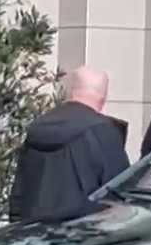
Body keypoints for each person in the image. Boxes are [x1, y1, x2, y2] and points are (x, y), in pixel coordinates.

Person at [8, 65, 130, 223]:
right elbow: (121, 194)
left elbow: (19, 193)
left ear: (71, 91)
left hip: (32, 231)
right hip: (80, 231)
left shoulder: (38, 126)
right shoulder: (102, 131)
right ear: (103, 97)